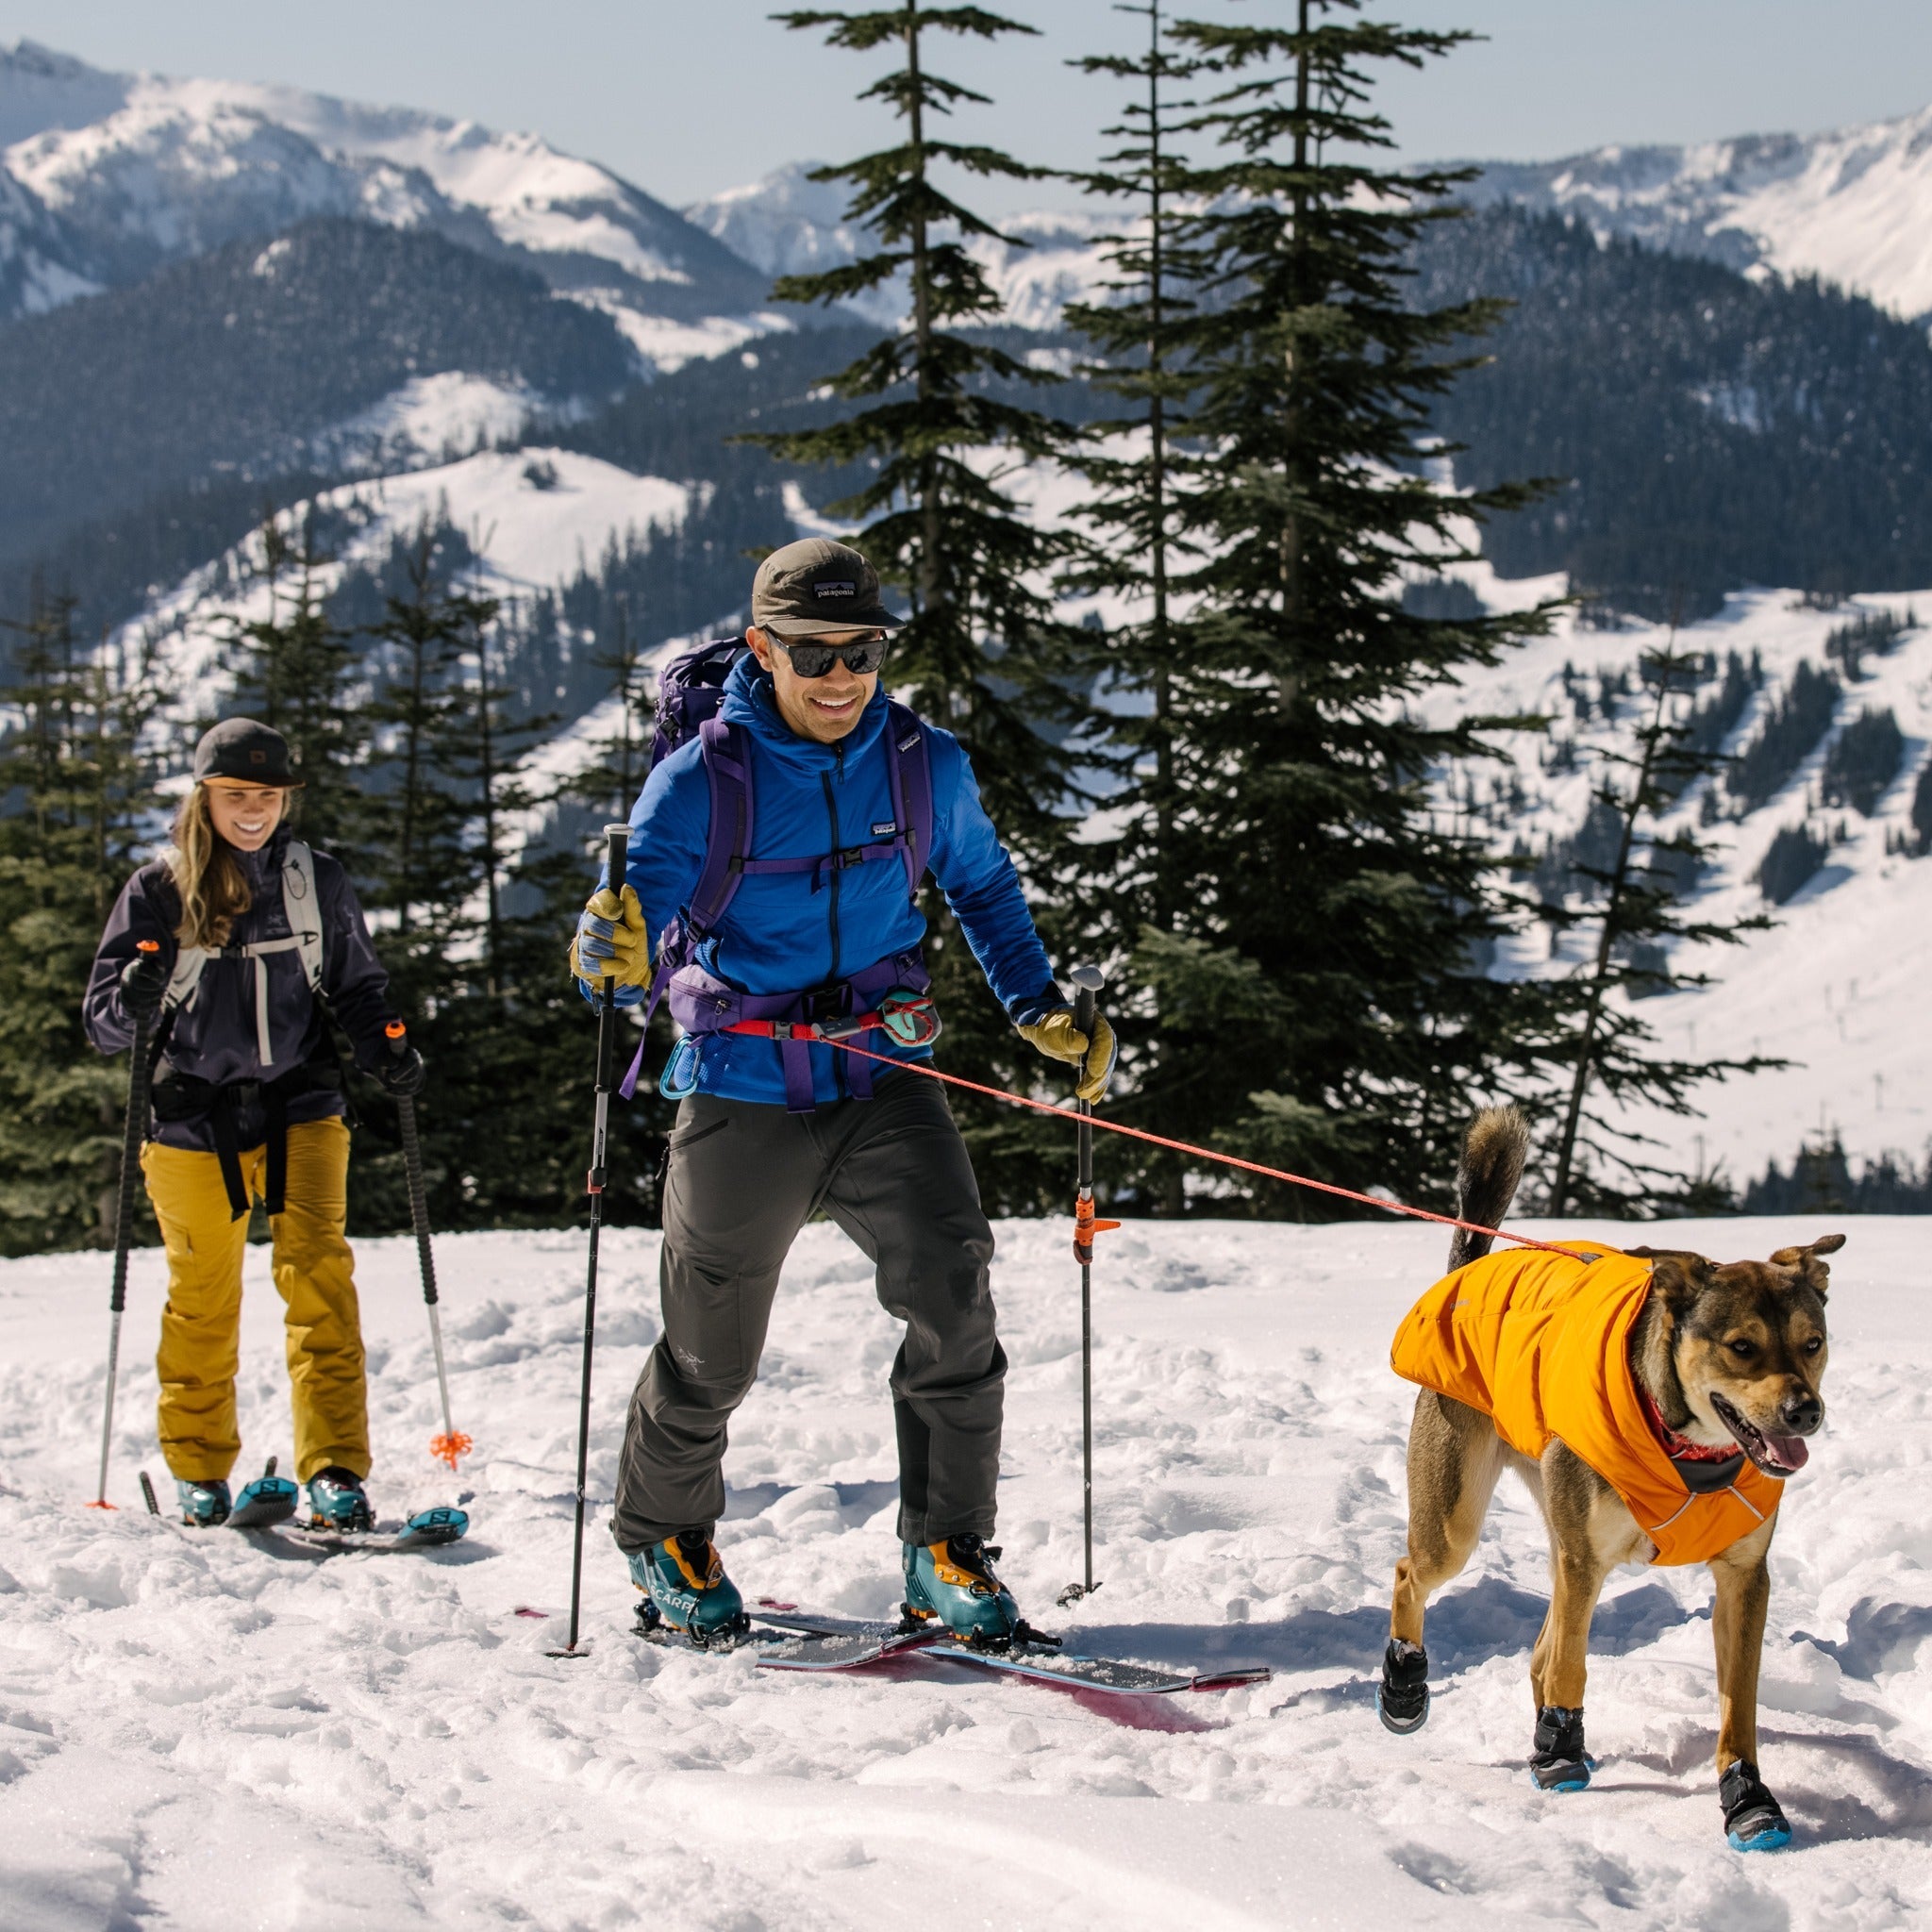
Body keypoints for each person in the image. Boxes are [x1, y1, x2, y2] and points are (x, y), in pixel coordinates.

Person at [572, 537, 1115, 1645]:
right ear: (762, 648)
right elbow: (632, 923)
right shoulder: (703, 778)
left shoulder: (923, 763)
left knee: (953, 1292)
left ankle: (944, 1548)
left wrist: (1034, 1003)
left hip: (881, 1074)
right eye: (812, 650)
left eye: (861, 648)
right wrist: (607, 952)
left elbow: (983, 885)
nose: (839, 675)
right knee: (709, 1348)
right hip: (743, 1086)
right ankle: (663, 1537)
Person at [84, 718, 424, 1530]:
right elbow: (102, 1024)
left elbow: (355, 985)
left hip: (301, 1105)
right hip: (191, 1116)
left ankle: (335, 1468)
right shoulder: (158, 890)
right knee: (202, 1298)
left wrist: (385, 1043)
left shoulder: (315, 883)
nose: (252, 811)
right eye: (236, 795)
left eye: (267, 797)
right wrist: (131, 993)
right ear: (204, 796)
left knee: (320, 1282)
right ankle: (200, 1471)